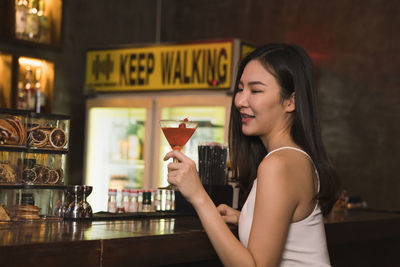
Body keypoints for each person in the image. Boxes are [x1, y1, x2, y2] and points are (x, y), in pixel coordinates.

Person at [164, 43, 340, 267]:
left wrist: (198, 196)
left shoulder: (278, 164)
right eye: (240, 89)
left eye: (255, 90)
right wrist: (243, 218)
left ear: (290, 101)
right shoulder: (294, 158)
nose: (239, 101)